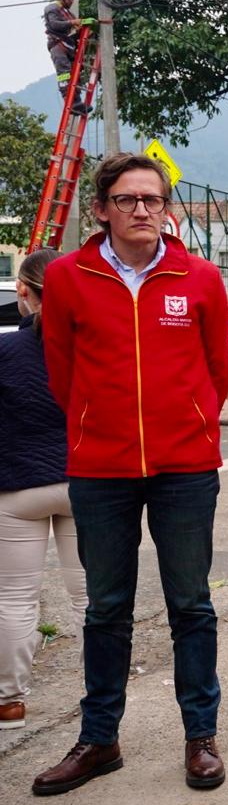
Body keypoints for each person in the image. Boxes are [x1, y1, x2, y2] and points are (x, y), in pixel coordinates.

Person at [33, 152, 228, 795]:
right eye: (127, 200)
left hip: (186, 467)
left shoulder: (199, 277)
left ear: (166, 208)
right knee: (106, 609)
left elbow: (217, 371)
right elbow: (63, 375)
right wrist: (96, 425)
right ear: (102, 209)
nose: (142, 210)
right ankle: (99, 740)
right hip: (101, 469)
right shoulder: (67, 277)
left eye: (152, 199)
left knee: (191, 604)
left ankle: (200, 737)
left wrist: (193, 422)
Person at [0, 249, 88, 732]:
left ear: (26, 295)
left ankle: (9, 702)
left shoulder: (5, 352)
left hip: (16, 489)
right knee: (90, 597)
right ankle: (102, 690)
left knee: (15, 598)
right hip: (82, 482)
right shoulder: (88, 345)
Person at [44, 0, 89, 115]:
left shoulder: (68, 13)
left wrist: (82, 28)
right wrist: (72, 23)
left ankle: (77, 102)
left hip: (68, 45)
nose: (72, 2)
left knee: (75, 74)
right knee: (64, 75)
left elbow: (74, 28)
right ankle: (71, 102)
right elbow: (54, 25)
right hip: (58, 45)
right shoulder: (52, 8)